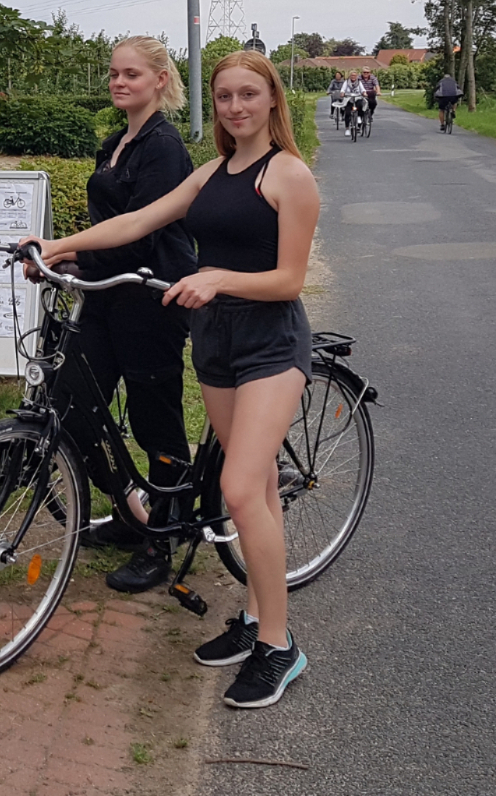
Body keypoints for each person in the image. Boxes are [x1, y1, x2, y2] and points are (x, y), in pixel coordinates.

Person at [30, 51, 321, 710]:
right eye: (224, 96)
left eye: (248, 94)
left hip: (269, 342)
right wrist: (59, 244)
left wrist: (217, 277)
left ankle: (278, 646)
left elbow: (289, 279)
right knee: (258, 493)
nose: (235, 107)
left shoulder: (289, 175)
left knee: (240, 486)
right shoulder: (213, 171)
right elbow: (137, 221)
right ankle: (252, 622)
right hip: (213, 341)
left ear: (271, 99)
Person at [59, 36, 198, 593]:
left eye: (132, 74)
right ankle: (127, 509)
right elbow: (108, 229)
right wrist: (67, 254)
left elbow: (141, 236)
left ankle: (163, 537)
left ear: (160, 80)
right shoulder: (115, 141)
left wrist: (69, 248)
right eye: (115, 74)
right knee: (73, 408)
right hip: (104, 293)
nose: (119, 82)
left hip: (151, 299)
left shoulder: (163, 148)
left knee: (154, 421)